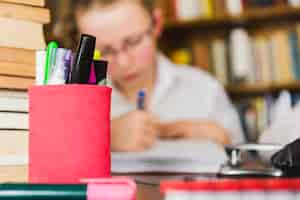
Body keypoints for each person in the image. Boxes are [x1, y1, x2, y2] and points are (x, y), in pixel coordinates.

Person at [57, 0, 244, 152]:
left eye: (133, 41)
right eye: (105, 51)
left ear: (157, 24)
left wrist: (222, 139)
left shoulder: (205, 89)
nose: (123, 62)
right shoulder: (73, 97)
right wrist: (105, 137)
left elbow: (246, 166)